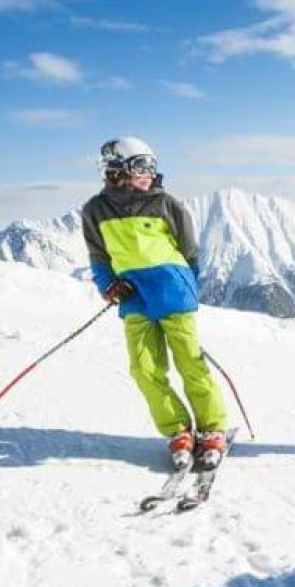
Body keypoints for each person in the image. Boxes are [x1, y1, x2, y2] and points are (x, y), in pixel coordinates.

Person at [82, 137, 228, 470]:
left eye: (150, 166)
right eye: (139, 167)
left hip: (173, 293)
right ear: (115, 170)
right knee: (144, 368)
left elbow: (189, 252)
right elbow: (98, 256)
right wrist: (108, 284)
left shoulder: (167, 204)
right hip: (134, 297)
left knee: (191, 363)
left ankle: (212, 427)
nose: (148, 174)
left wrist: (185, 285)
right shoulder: (95, 210)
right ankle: (177, 428)